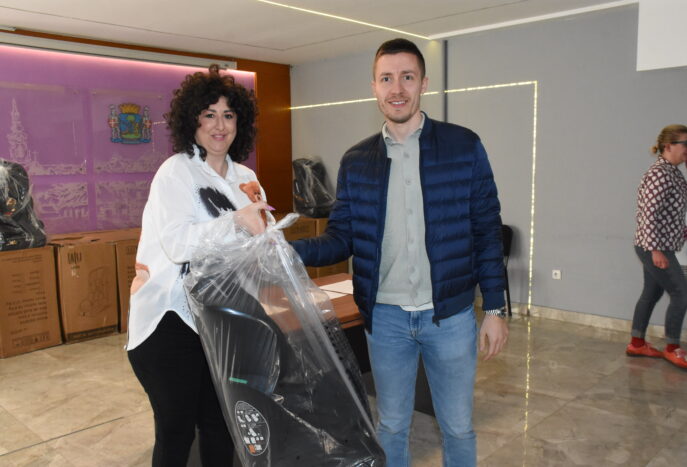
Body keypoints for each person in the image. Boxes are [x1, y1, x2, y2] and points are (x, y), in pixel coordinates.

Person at [291, 38, 509, 467]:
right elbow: (340, 238)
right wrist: (286, 250)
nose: (397, 89)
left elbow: (487, 230)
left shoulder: (463, 146)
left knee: (458, 427)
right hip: (385, 319)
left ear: (423, 83)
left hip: (450, 317)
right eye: (386, 78)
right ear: (373, 87)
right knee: (391, 426)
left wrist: (496, 309)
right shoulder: (357, 161)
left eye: (407, 77)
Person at [126, 64, 271, 466]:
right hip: (172, 321)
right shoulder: (176, 172)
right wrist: (236, 222)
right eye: (209, 114)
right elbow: (178, 244)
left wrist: (270, 237)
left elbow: (256, 242)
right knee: (176, 430)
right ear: (192, 120)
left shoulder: (245, 177)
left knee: (221, 424)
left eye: (229, 115)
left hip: (225, 319)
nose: (220, 125)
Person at [628, 124, 687, 370]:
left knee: (652, 293)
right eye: (686, 143)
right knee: (683, 294)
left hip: (656, 245)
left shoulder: (674, 173)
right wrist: (655, 250)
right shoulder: (659, 173)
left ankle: (637, 343)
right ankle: (672, 348)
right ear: (668, 146)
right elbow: (648, 214)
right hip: (654, 246)